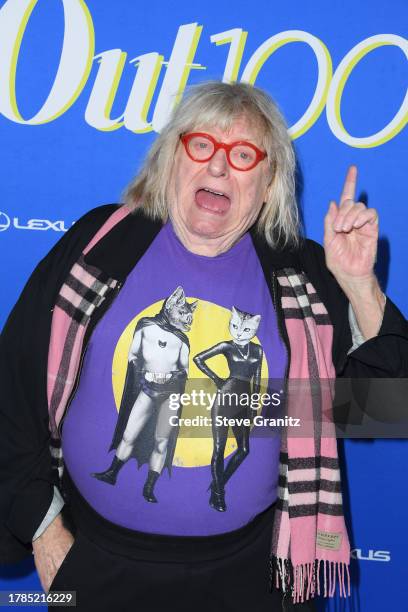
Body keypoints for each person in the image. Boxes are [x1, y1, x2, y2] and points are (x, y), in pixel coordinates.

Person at [0, 81, 407, 612]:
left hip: (254, 578)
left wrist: (358, 284)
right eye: (201, 145)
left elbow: (382, 409)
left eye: (242, 155)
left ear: (269, 184)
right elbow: (10, 393)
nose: (218, 167)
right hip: (94, 566)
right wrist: (45, 532)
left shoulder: (301, 273)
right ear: (172, 157)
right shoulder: (100, 244)